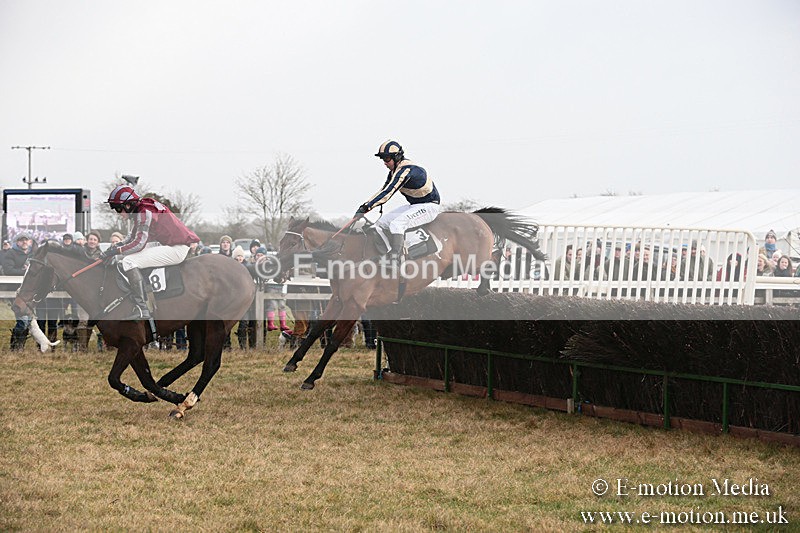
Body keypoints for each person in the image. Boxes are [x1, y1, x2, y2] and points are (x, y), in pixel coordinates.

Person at [100, 184, 200, 322]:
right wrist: (112, 249)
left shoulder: (143, 212)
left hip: (176, 249)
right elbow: (131, 238)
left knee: (129, 261)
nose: (118, 214)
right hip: (170, 244)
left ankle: (142, 308)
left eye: (118, 209)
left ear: (128, 205)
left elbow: (139, 244)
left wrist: (116, 251)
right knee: (125, 258)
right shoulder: (143, 208)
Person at [355, 140, 441, 260]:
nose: (385, 163)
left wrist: (366, 207)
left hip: (429, 206)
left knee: (397, 224)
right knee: (380, 224)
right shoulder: (393, 172)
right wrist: (364, 207)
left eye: (386, 159)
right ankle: (387, 254)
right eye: (383, 159)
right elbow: (382, 190)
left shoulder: (406, 170)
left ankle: (396, 259)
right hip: (415, 205)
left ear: (397, 157)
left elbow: (388, 192)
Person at [4, 234, 31, 350]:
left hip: (28, 292)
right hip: (15, 291)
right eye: (21, 240)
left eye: (26, 240)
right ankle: (15, 346)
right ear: (17, 242)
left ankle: (20, 346)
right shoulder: (10, 253)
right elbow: (8, 270)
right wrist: (25, 271)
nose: (24, 242)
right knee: (23, 320)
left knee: (28, 319)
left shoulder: (32, 254)